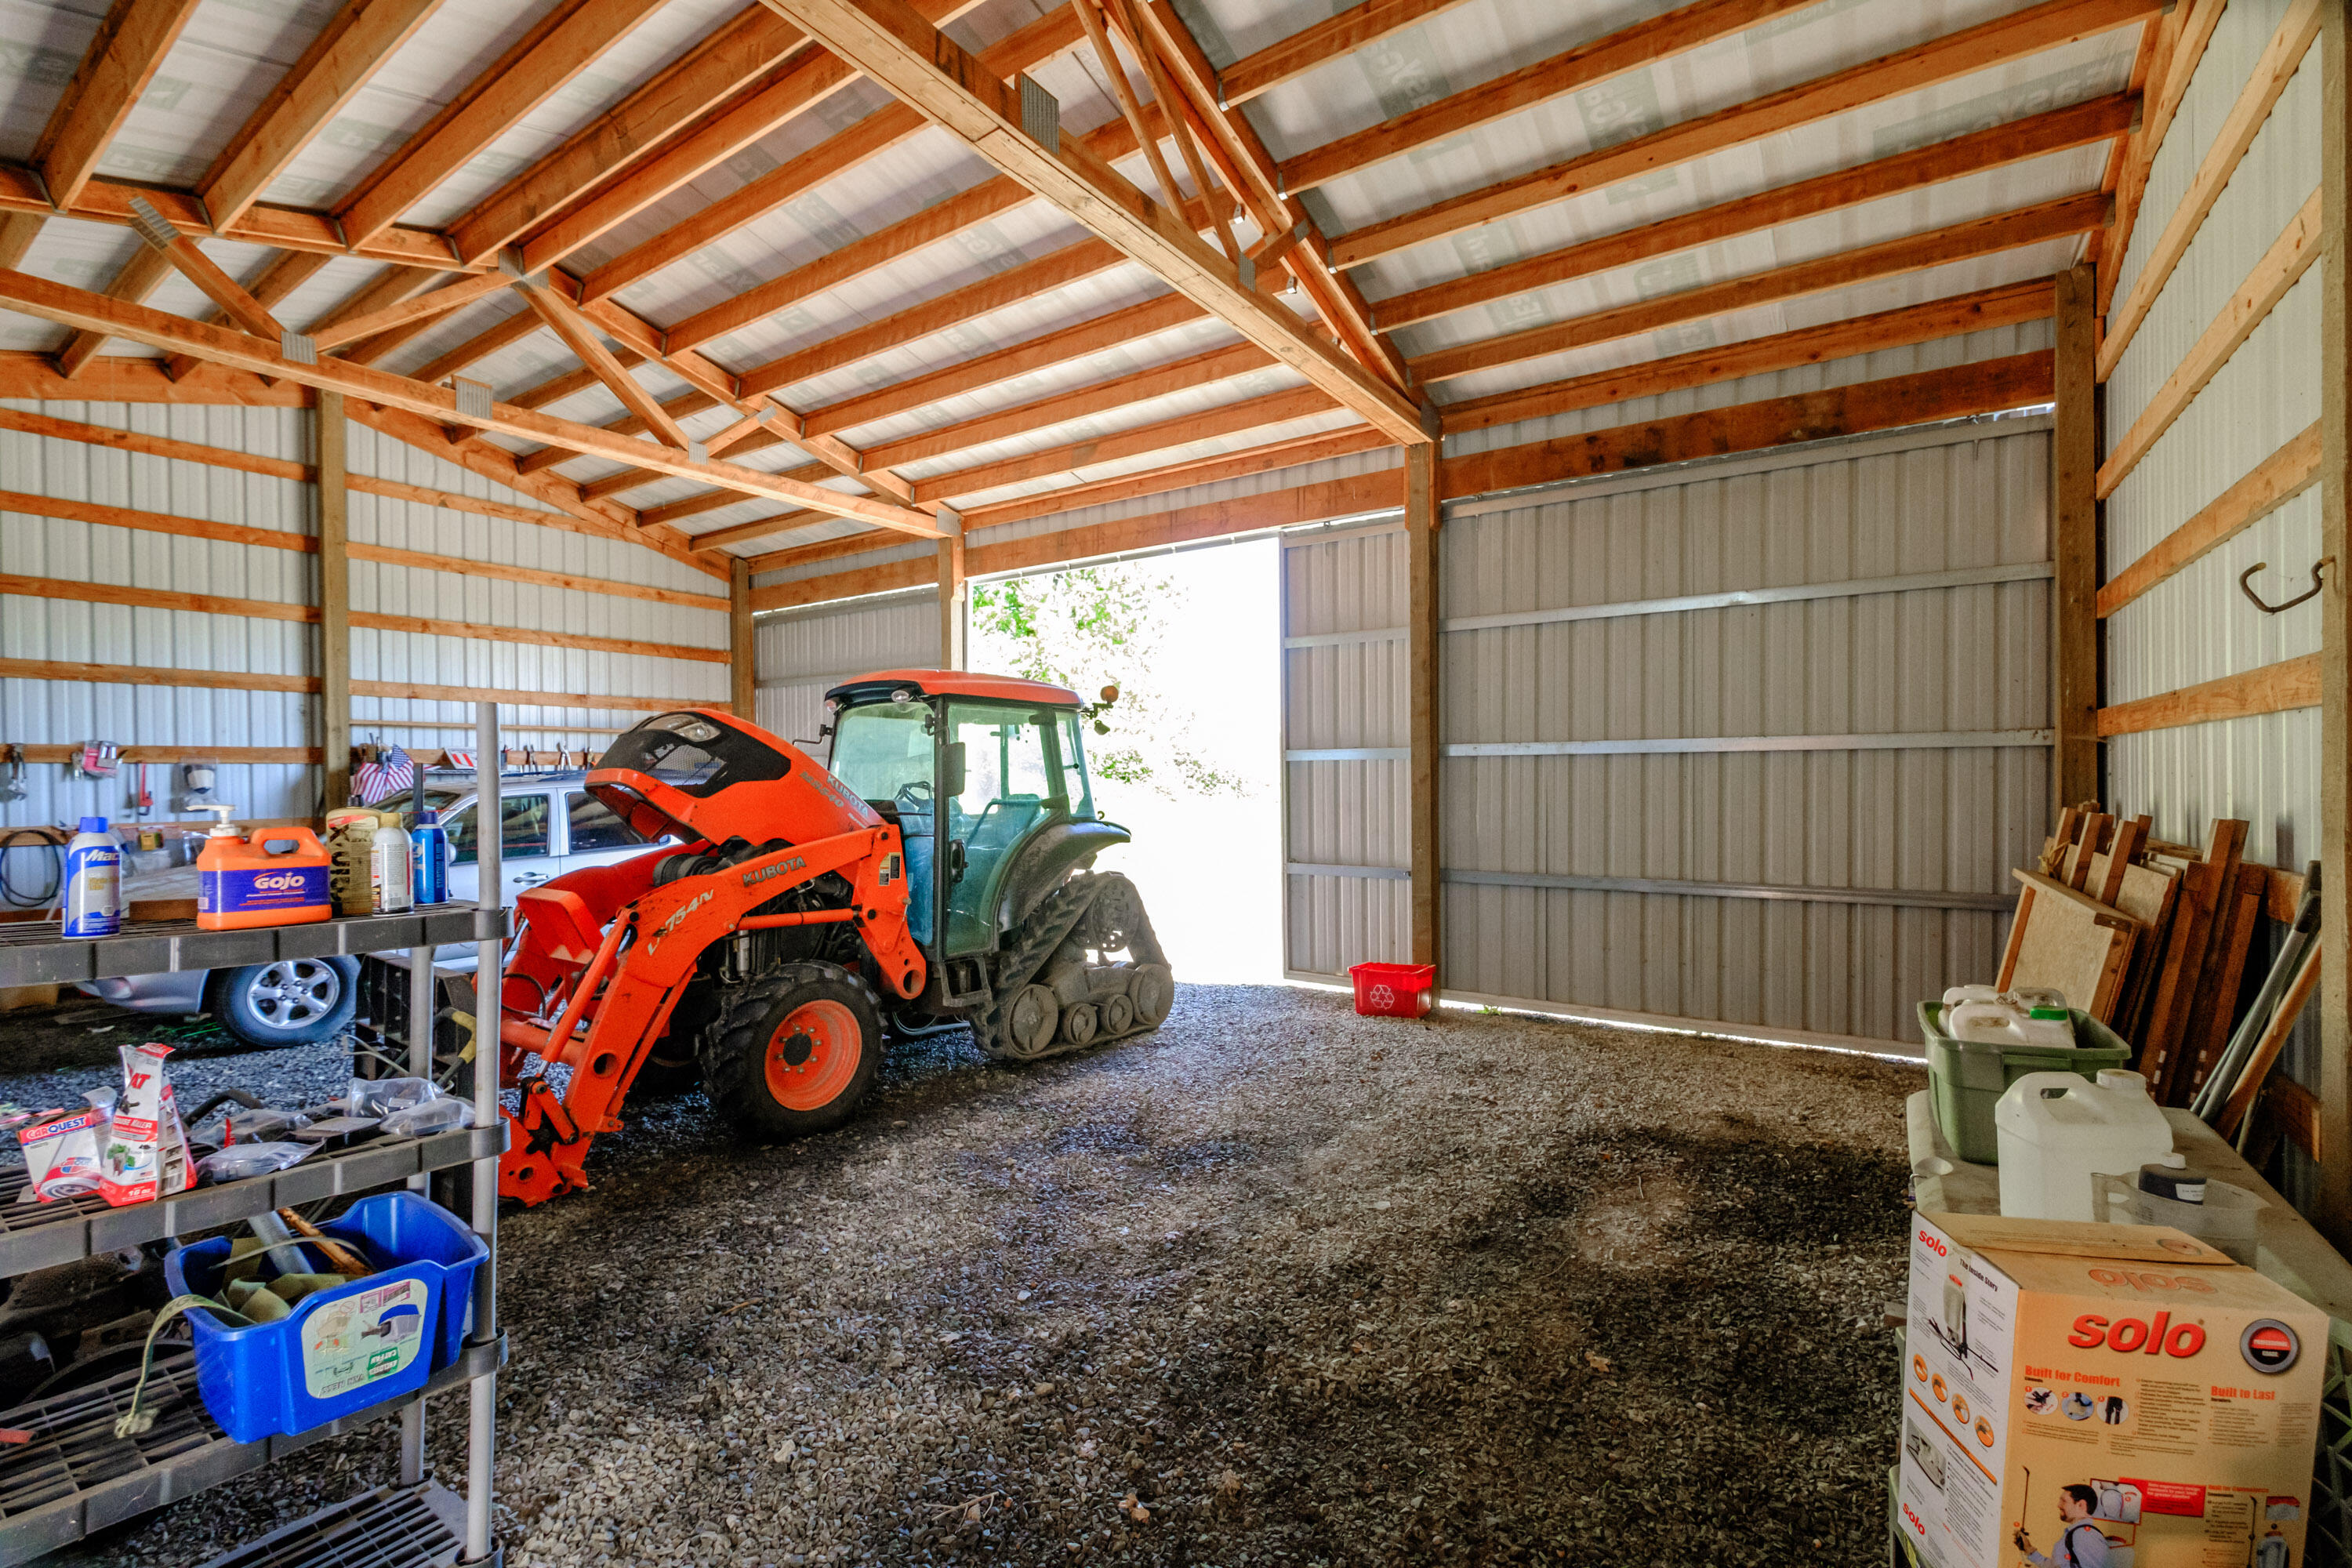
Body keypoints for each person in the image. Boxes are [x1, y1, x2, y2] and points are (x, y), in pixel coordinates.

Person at [2016, 1484, 2110, 1567]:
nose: (2058, 1505)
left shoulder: (2083, 1535)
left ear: (2081, 1505)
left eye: (2064, 1501)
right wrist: (2029, 1550)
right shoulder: (2075, 1534)